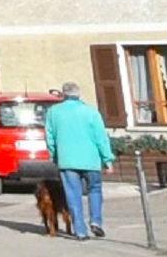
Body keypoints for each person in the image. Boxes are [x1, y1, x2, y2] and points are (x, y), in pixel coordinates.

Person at [44, 81, 114, 241]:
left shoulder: (53, 112)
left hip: (67, 160)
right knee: (95, 189)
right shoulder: (91, 112)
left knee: (73, 195)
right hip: (91, 160)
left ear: (63, 95)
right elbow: (101, 138)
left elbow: (50, 137)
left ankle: (80, 231)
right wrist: (107, 159)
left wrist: (54, 155)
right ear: (78, 94)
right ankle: (96, 221)